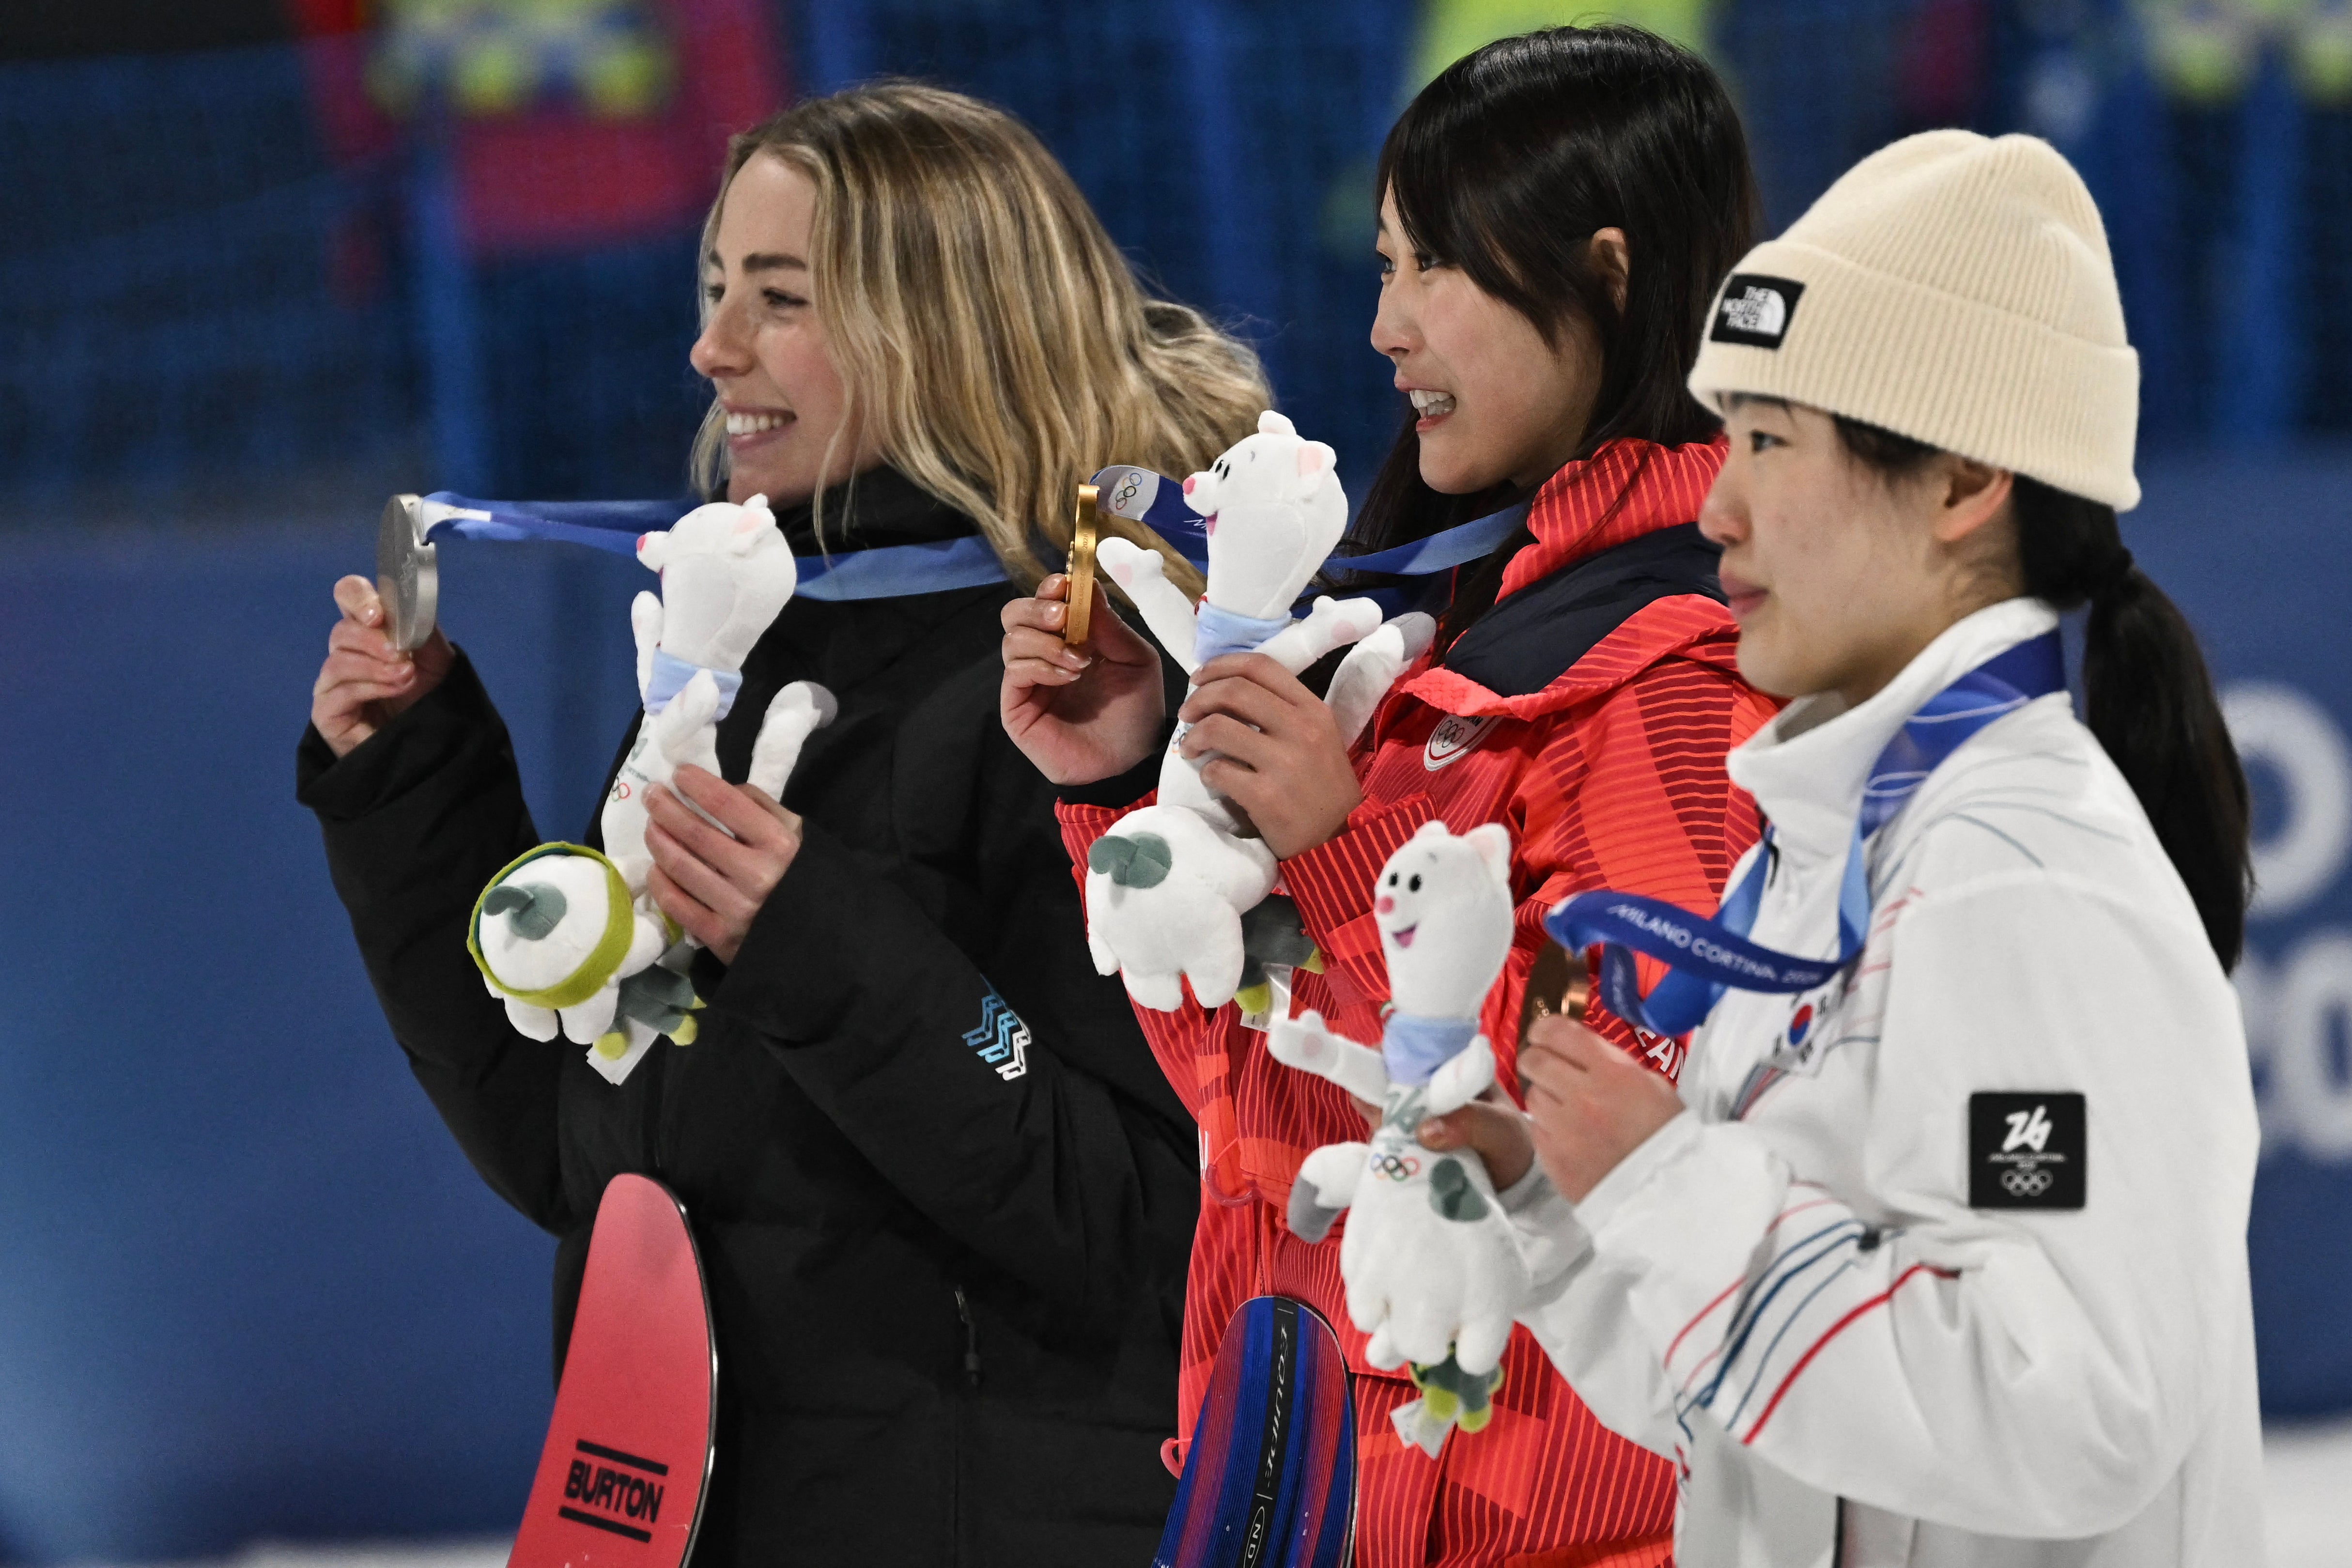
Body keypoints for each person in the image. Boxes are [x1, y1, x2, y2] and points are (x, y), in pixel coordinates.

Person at [299, 82, 1267, 1565]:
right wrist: (411, 785)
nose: (712, 350)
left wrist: (814, 943)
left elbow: (1151, 1229)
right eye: (710, 292)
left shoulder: (1097, 671)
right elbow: (584, 1163)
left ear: (941, 321)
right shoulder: (739, 657)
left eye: (779, 298)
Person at [1001, 27, 1779, 1567]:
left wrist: (1344, 856)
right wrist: (1116, 802)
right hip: (1327, 1489)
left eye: (1437, 270)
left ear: (1610, 278)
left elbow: (1632, 1108)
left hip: (1548, 1519)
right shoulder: (1432, 626)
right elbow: (1264, 1101)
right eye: (1383, 265)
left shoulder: (1679, 669)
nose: (1382, 327)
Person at [1440, 130, 2264, 1564]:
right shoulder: (1827, 861)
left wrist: (1671, 1188)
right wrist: (1556, 1204)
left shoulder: (2022, 886)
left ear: (1960, 484)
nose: (1717, 509)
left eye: (1769, 441)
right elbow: (1761, 1420)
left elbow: (2073, 1407)